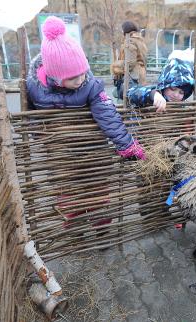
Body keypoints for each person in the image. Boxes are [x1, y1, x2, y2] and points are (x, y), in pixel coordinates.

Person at [26, 16, 146, 228]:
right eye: (74, 78)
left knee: (98, 189)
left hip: (92, 149)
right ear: (55, 76)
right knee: (67, 195)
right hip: (61, 155)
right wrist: (37, 133)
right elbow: (31, 115)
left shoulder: (89, 84)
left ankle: (101, 226)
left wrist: (127, 146)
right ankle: (74, 227)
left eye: (83, 73)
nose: (81, 80)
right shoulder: (36, 88)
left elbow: (107, 114)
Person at [127, 48, 196, 113]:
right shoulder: (155, 94)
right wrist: (152, 95)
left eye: (181, 92)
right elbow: (130, 92)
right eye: (172, 88)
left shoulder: (181, 108)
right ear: (164, 84)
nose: (176, 95)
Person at [111, 21, 148, 100]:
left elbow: (130, 63)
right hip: (139, 76)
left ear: (125, 30)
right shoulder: (139, 40)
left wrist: (115, 66)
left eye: (122, 30)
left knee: (125, 100)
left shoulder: (130, 41)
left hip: (132, 78)